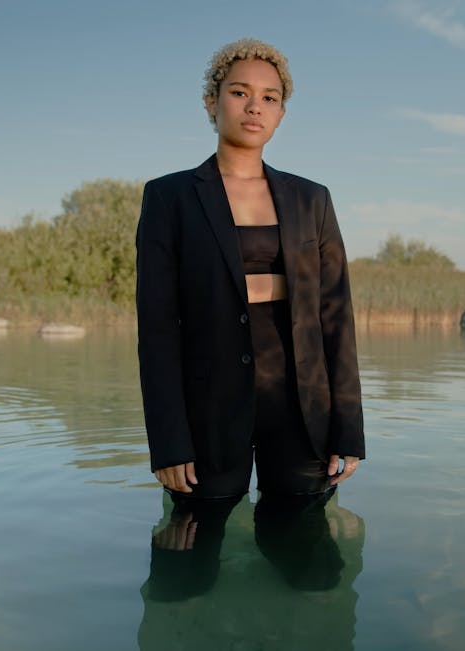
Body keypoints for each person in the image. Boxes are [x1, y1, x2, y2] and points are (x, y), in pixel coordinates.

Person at [136, 37, 364, 501]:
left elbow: (336, 318)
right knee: (194, 548)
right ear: (211, 103)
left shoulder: (312, 198)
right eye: (240, 92)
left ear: (281, 113)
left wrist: (349, 429)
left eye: (269, 98)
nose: (254, 107)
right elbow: (156, 327)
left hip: (303, 408)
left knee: (307, 558)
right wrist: (168, 441)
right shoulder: (169, 197)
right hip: (208, 409)